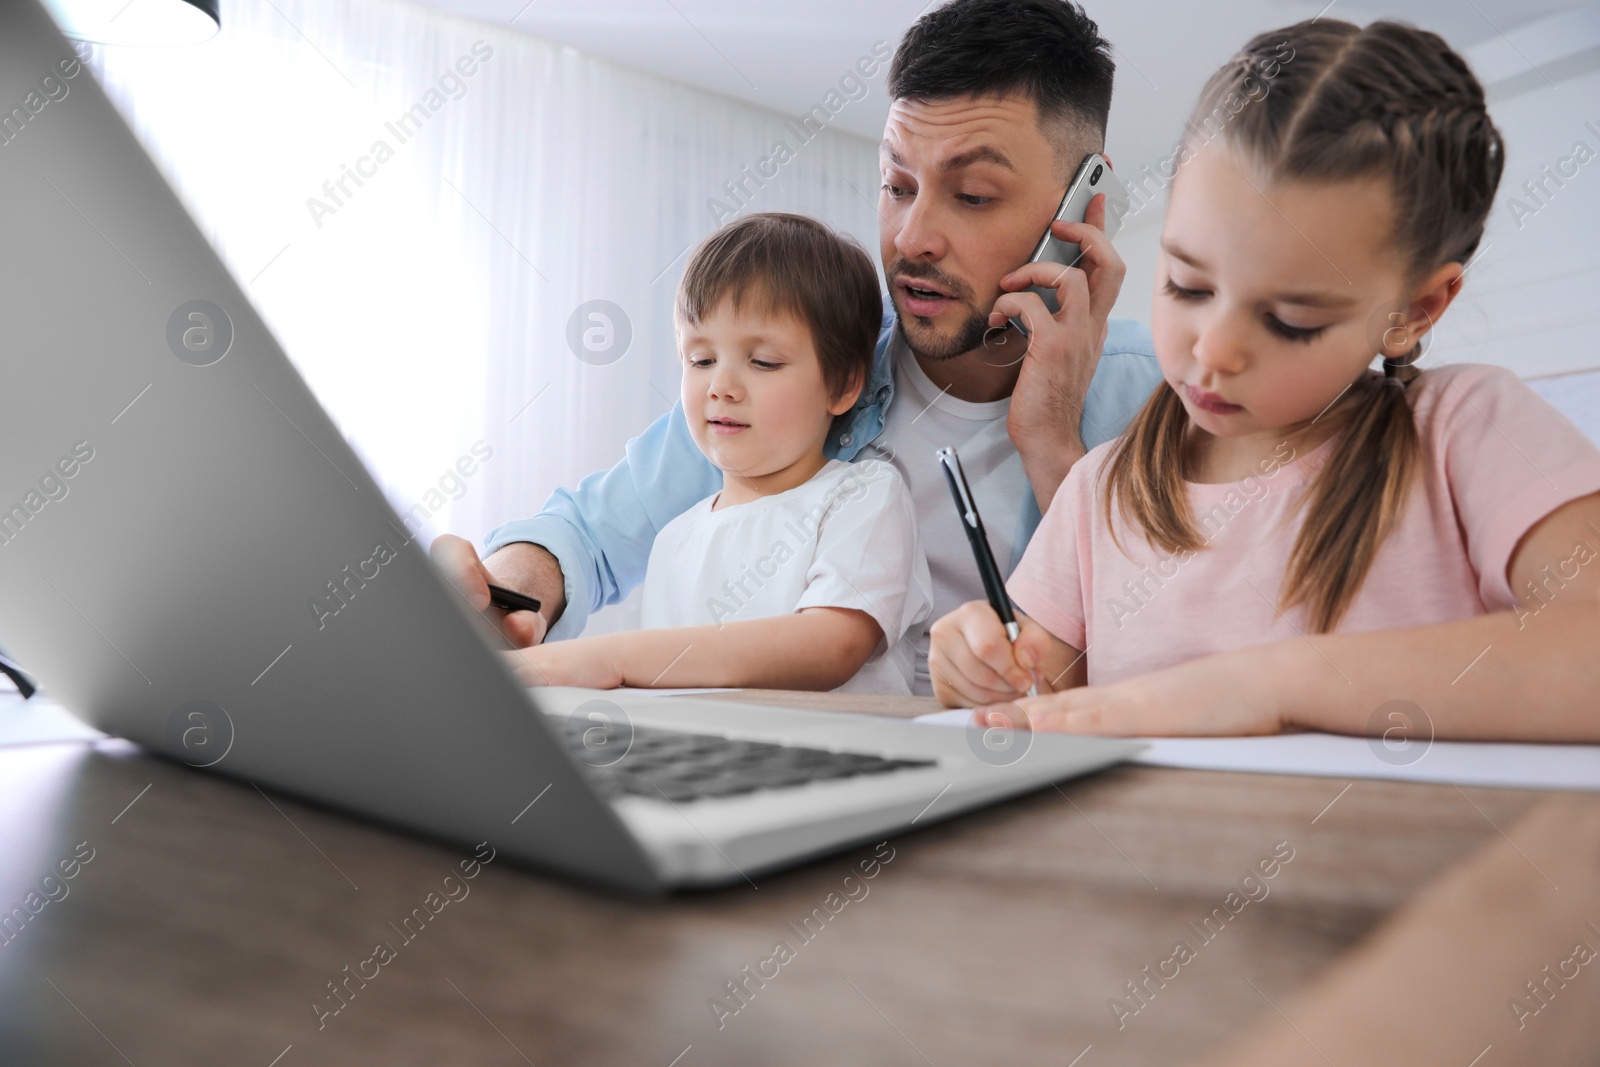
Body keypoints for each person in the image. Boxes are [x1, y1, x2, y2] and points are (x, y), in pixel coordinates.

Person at [431, 0, 1165, 695]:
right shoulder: (804, 371)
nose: (911, 238)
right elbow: (586, 533)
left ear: (1081, 212)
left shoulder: (1161, 400)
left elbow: (1166, 665)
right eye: (896, 184)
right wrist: (503, 594)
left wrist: (1051, 439)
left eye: (972, 195)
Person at [930, 18, 1600, 741]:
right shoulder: (1098, 491)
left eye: (1290, 320)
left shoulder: (1466, 430)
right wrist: (977, 665)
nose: (1213, 354)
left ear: (1414, 311)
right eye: (1187, 285)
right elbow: (1044, 699)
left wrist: (1269, 682)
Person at [502, 213, 931, 694]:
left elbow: (830, 646)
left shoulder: (863, 496)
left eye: (763, 362)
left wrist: (613, 658)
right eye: (701, 360)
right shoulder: (674, 537)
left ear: (845, 384)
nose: (721, 387)